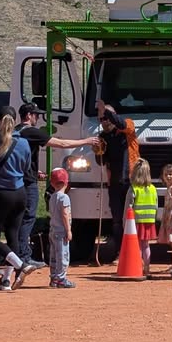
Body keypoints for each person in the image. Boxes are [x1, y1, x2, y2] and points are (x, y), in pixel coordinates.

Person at [14, 102, 99, 268]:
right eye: (36, 115)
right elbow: (62, 144)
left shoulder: (16, 131)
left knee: (17, 218)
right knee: (28, 218)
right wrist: (86, 141)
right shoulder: (31, 132)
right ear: (29, 115)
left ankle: (15, 254)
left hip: (17, 179)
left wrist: (34, 171)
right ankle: (24, 256)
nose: (37, 118)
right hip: (27, 183)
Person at [0, 105, 38, 291]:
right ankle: (6, 280)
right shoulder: (23, 142)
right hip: (20, 192)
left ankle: (21, 266)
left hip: (0, 193)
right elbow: (26, 166)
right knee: (13, 236)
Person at [94, 100, 140, 264]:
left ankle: (136, 252)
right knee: (116, 220)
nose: (104, 122)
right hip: (114, 183)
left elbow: (121, 123)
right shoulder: (103, 137)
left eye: (107, 118)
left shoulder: (127, 127)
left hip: (132, 181)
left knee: (132, 218)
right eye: (101, 119)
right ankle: (120, 252)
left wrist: (106, 111)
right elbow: (101, 161)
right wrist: (98, 151)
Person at [126, 158, 158, 279]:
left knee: (137, 245)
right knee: (146, 245)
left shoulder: (133, 188)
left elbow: (128, 207)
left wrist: (125, 222)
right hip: (149, 221)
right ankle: (147, 269)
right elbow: (156, 205)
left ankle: (138, 267)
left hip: (136, 221)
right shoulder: (153, 188)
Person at [47, 168, 75, 288]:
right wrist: (68, 230)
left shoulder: (52, 197)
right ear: (66, 182)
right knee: (63, 256)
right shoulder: (64, 197)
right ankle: (61, 279)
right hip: (61, 231)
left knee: (54, 256)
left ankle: (54, 277)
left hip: (53, 230)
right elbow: (65, 214)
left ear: (52, 183)